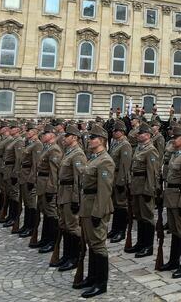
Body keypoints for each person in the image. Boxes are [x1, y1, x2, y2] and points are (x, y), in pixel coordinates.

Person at [73, 124, 115, 298]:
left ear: (102, 140)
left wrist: (98, 213)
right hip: (87, 205)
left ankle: (101, 283)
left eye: (93, 137)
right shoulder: (93, 158)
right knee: (91, 243)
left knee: (98, 245)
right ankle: (92, 277)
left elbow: (104, 191)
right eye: (89, 137)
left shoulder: (105, 160)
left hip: (96, 208)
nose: (89, 140)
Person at [158, 126, 181, 279]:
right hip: (171, 196)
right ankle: (174, 260)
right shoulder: (175, 155)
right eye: (173, 137)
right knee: (174, 230)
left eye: (177, 137)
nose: (173, 139)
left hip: (180, 198)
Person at [53, 124, 87, 272]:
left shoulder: (78, 154)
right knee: (65, 225)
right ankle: (67, 255)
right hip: (63, 192)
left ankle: (75, 257)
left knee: (72, 226)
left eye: (67, 136)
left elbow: (79, 180)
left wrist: (76, 200)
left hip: (70, 194)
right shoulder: (68, 152)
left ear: (74, 137)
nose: (64, 138)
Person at [125, 123, 161, 258]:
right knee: (139, 216)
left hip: (145, 188)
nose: (137, 135)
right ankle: (140, 243)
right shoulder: (139, 149)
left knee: (147, 217)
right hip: (136, 186)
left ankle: (148, 246)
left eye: (140, 133)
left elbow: (152, 173)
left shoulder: (151, 150)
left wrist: (149, 191)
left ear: (148, 135)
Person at [36, 125, 62, 255]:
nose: (42, 135)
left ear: (52, 135)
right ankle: (45, 238)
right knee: (45, 212)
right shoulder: (47, 147)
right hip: (42, 184)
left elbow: (54, 172)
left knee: (51, 213)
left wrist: (51, 190)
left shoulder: (54, 150)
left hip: (48, 185)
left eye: (45, 133)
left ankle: (52, 241)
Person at [107, 120, 132, 244]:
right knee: (116, 205)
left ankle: (121, 231)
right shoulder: (115, 143)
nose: (113, 132)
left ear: (121, 132)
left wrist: (121, 181)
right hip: (113, 176)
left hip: (119, 177)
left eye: (115, 130)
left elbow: (125, 165)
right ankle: (114, 229)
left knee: (121, 205)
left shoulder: (125, 145)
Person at [18, 123, 42, 239]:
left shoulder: (37, 145)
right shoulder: (30, 144)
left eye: (29, 130)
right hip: (24, 176)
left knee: (31, 203)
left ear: (35, 132)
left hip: (29, 177)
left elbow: (36, 164)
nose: (27, 132)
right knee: (27, 202)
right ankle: (27, 225)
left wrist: (31, 180)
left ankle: (31, 227)